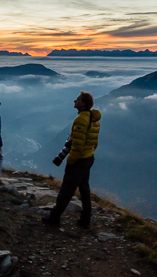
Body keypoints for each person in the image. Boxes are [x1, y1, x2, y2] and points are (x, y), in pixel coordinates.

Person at [43, 91, 101, 227]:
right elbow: (94, 142)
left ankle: (54, 218)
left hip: (79, 160)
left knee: (66, 190)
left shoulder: (81, 119)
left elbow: (78, 145)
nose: (75, 101)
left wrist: (70, 160)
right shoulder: (94, 119)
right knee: (84, 189)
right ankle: (85, 220)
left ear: (84, 104)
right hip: (89, 158)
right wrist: (89, 152)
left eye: (78, 100)